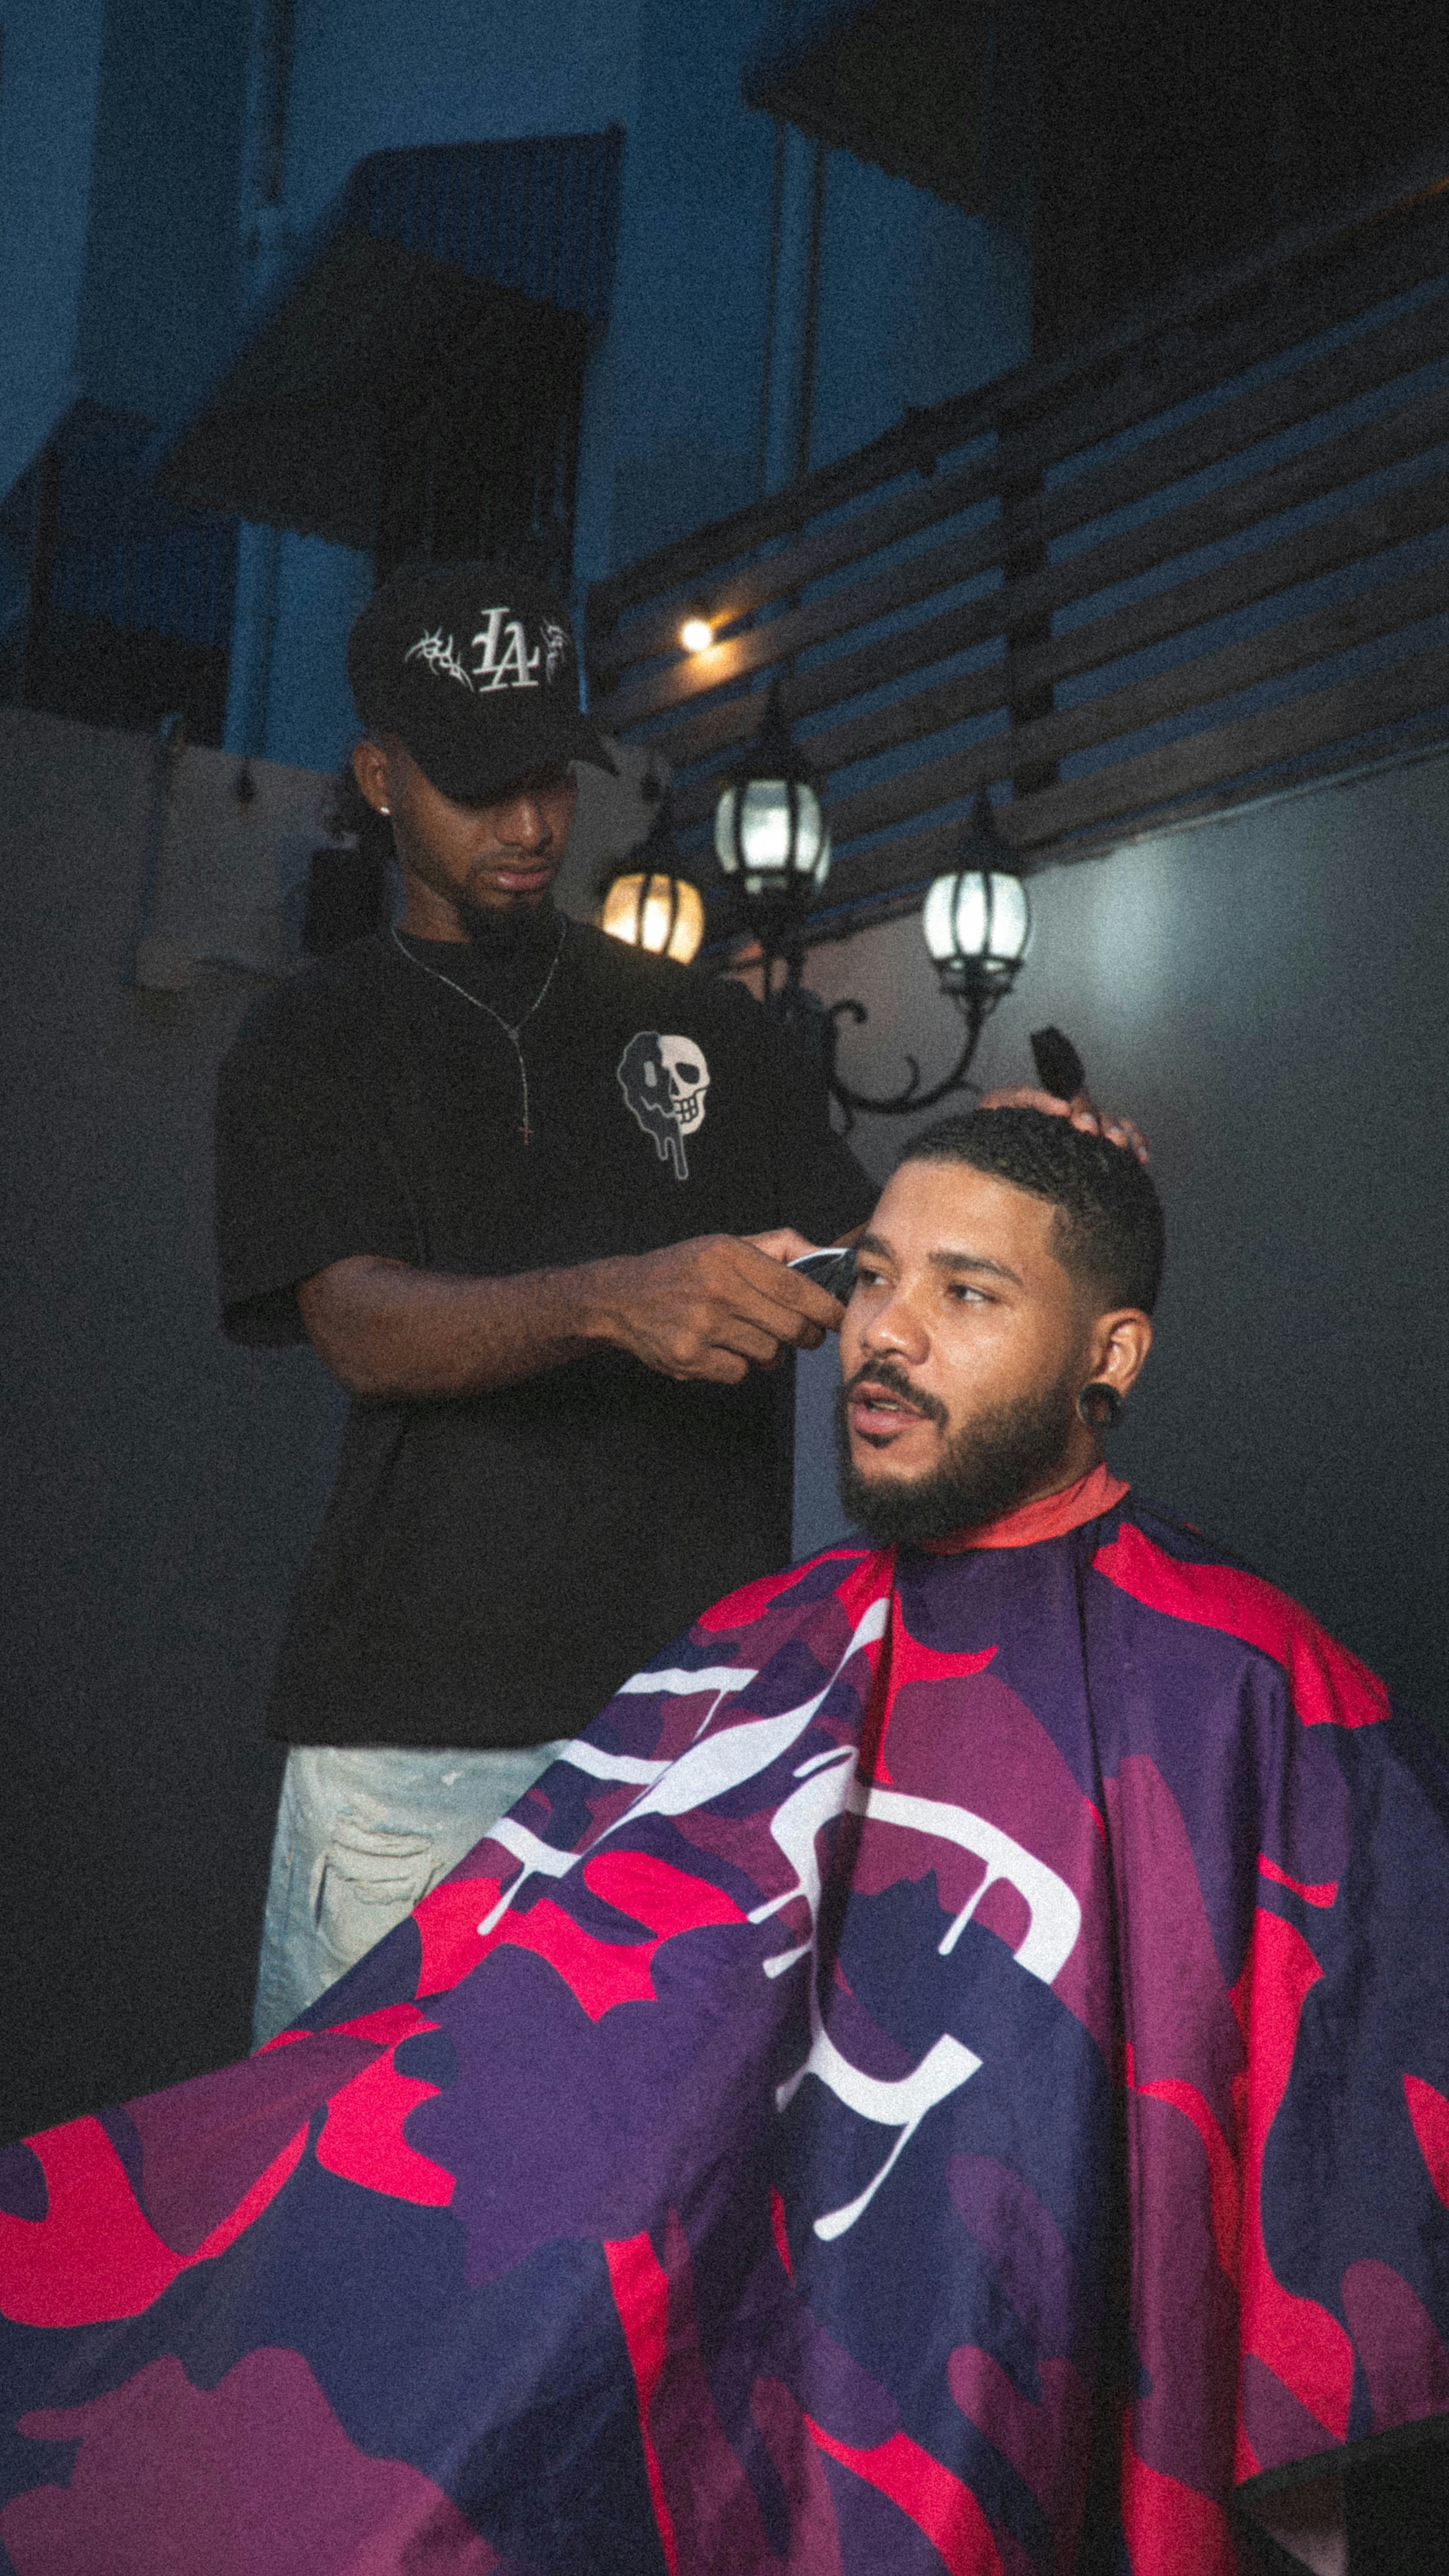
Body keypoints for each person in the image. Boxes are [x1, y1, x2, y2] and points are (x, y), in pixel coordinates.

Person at [5, 1108, 1446, 2575]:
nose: (885, 1335)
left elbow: (1347, 2213)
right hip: (674, 2352)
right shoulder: (752, 1645)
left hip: (993, 2398)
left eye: (968, 1293)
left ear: (1110, 1354)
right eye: (874, 1279)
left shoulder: (1252, 1687)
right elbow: (466, 2026)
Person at [215, 562, 877, 2042]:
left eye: (552, 782)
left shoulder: (700, 1022)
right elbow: (357, 1324)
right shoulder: (311, 1036)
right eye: (476, 786)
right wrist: (610, 1301)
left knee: (647, 2227)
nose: (529, 827)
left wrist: (1023, 1168)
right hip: (414, 1741)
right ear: (381, 778)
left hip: (692, 1734)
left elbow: (871, 1250)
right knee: (361, 2202)